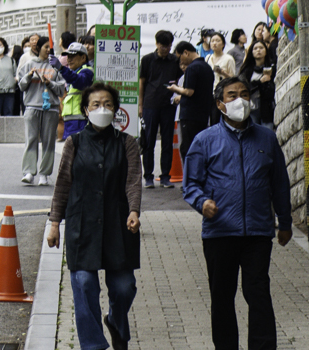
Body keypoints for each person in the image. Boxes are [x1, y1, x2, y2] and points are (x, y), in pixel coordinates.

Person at [183, 77, 293, 350]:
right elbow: (190, 184)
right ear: (220, 104)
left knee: (258, 294)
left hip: (258, 231)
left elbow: (279, 183)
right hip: (220, 231)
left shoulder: (266, 138)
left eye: (244, 94)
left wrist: (285, 222)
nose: (240, 100)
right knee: (222, 297)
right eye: (232, 95)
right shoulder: (204, 140)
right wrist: (202, 202)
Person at [48, 82, 143, 350]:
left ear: (116, 110)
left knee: (124, 287)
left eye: (108, 104)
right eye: (96, 104)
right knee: (84, 284)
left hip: (118, 223)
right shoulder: (74, 142)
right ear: (85, 110)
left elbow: (134, 180)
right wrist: (55, 223)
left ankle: (115, 321)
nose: (103, 109)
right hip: (82, 225)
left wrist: (134, 210)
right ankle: (93, 345)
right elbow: (62, 184)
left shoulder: (127, 143)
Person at [137, 29, 182, 188]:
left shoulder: (174, 60)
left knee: (168, 141)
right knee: (148, 141)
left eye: (168, 47)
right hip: (150, 104)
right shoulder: (148, 59)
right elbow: (142, 82)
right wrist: (140, 104)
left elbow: (179, 79)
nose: (165, 50)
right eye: (163, 46)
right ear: (157, 44)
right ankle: (148, 176)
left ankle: (165, 176)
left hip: (168, 105)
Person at [18, 37, 65, 184]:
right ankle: (29, 172)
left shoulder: (55, 66)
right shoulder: (29, 64)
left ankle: (44, 174)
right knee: (31, 139)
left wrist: (49, 82)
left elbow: (61, 89)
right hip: (32, 107)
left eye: (50, 47)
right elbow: (21, 86)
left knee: (48, 141)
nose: (48, 50)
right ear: (38, 48)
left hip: (50, 108)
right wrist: (29, 75)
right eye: (45, 47)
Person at [170, 41, 216, 165]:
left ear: (186, 52)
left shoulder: (192, 67)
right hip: (203, 114)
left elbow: (189, 92)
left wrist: (175, 88)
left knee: (187, 149)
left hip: (190, 115)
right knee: (200, 149)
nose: (181, 62)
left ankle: (190, 180)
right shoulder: (207, 67)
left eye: (180, 57)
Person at [57, 42, 95, 138]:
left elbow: (80, 82)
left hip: (80, 120)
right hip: (71, 121)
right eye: (68, 57)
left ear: (83, 58)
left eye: (73, 56)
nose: (69, 60)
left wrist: (62, 68)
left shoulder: (87, 71)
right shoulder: (75, 72)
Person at [238, 40, 277, 125]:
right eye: (255, 48)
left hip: (267, 108)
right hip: (250, 107)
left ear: (266, 51)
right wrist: (259, 82)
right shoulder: (246, 70)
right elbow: (242, 87)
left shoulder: (272, 68)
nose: (258, 50)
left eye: (261, 48)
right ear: (251, 52)